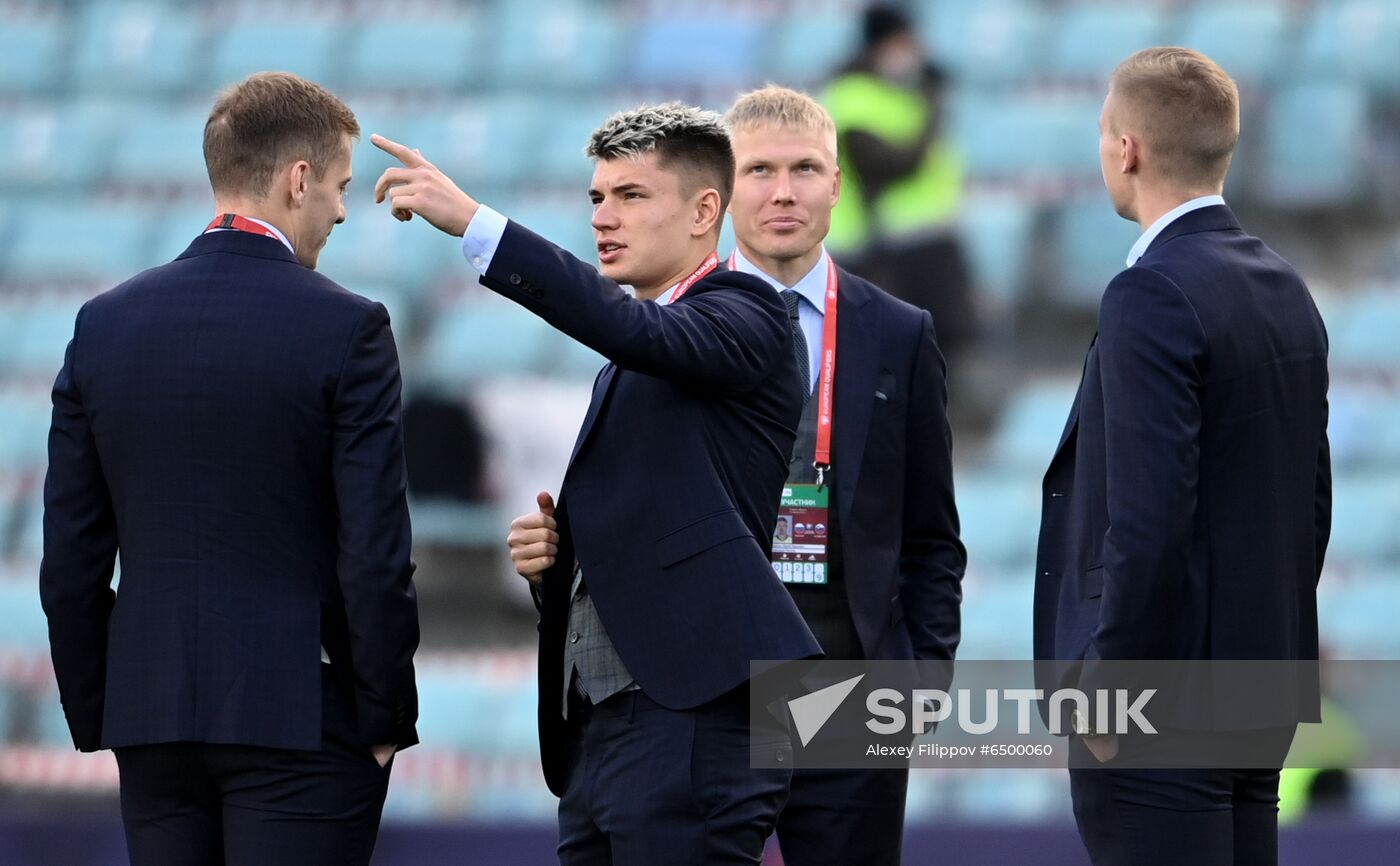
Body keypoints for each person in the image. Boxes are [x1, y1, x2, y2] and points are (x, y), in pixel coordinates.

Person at [371, 103, 820, 864]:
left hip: (693, 713)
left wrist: (481, 228)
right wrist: (562, 565)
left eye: (632, 196)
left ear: (705, 210)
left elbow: (632, 330)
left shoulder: (752, 313)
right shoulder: (631, 359)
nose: (605, 218)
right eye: (596, 199)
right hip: (603, 728)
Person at [40, 72, 419, 866]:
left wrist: (104, 711)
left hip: (154, 722)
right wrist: (383, 720)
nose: (344, 211)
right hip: (300, 718)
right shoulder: (348, 326)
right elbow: (374, 551)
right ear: (298, 179)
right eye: (342, 187)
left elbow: (71, 561)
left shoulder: (102, 326)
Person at [1033, 48, 1330, 866]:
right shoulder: (1284, 286)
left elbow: (1149, 514)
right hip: (1257, 687)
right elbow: (1311, 506)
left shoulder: (1151, 293)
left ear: (1126, 149)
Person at [724, 84, 965, 866]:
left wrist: (922, 674)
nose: (784, 191)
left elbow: (932, 532)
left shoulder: (899, 332)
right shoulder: (671, 323)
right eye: (760, 170)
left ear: (837, 184)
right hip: (710, 688)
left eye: (806, 169)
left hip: (851, 685)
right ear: (723, 189)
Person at [822, 3, 975, 363]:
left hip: (922, 236)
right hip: (870, 246)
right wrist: (934, 107)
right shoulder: (853, 96)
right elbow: (893, 166)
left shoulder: (901, 93)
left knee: (941, 341)